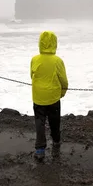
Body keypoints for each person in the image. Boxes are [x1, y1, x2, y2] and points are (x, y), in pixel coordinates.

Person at [30, 30, 68, 160]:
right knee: (54, 121)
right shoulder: (57, 61)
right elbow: (63, 80)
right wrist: (62, 93)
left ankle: (40, 150)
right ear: (54, 44)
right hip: (53, 97)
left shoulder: (34, 59)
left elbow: (31, 75)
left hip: (38, 97)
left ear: (40, 43)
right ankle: (56, 141)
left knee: (39, 123)